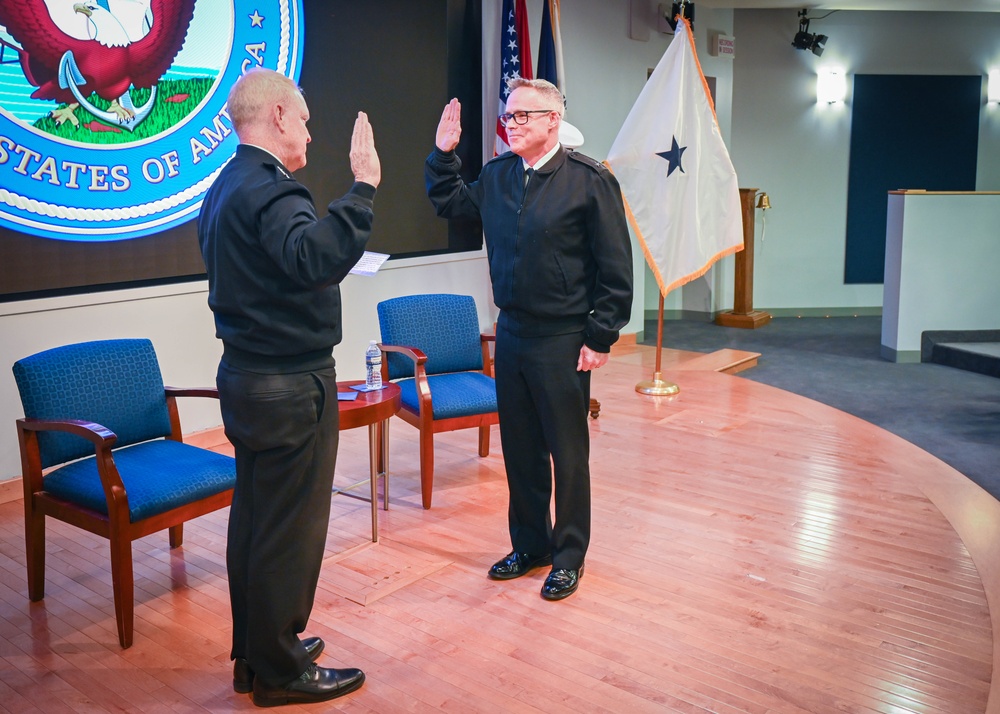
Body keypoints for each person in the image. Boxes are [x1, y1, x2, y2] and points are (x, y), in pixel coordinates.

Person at [198, 68, 380, 707]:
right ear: (277, 115)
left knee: (255, 522)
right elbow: (314, 258)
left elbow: (285, 267)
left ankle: (258, 651)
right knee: (289, 530)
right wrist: (363, 189)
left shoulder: (226, 186)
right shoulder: (275, 191)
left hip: (247, 379)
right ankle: (278, 673)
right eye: (302, 118)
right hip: (288, 385)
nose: (308, 129)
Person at [425, 78, 633, 601]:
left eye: (523, 116)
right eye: (508, 117)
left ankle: (568, 555)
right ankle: (531, 545)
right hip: (512, 332)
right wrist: (444, 155)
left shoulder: (590, 181)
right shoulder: (497, 176)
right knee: (520, 452)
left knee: (568, 453)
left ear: (552, 121)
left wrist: (600, 336)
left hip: (564, 337)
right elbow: (451, 203)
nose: (511, 125)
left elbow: (615, 267)